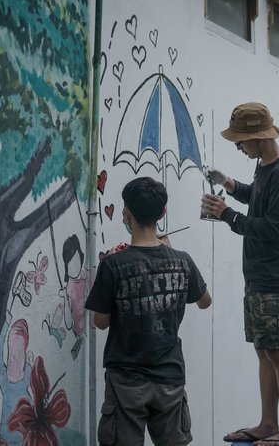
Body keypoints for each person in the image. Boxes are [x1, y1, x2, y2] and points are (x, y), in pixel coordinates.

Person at [201, 102, 279, 445]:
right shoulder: (265, 167)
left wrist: (227, 215)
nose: (240, 148)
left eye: (240, 143)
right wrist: (228, 183)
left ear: (258, 138)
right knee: (264, 351)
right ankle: (267, 423)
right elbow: (257, 199)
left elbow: (274, 228)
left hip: (276, 280)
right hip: (259, 279)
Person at [85, 177, 212, 445]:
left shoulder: (112, 264)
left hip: (126, 383)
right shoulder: (182, 260)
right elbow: (205, 301)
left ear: (125, 212)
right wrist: (170, 254)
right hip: (170, 379)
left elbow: (100, 322)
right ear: (163, 214)